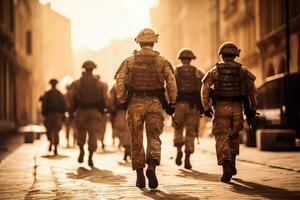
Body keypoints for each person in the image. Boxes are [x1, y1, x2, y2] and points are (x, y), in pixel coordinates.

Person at [115, 28, 177, 189]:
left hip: (135, 103)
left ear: (139, 41)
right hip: (155, 103)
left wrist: (122, 99)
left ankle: (140, 175)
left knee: (136, 139)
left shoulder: (130, 60)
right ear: (154, 42)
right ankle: (152, 166)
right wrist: (172, 103)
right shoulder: (162, 61)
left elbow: (120, 79)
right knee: (154, 137)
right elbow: (171, 82)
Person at [201, 42, 257, 182]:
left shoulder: (215, 70)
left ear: (221, 54)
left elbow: (205, 89)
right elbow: (252, 92)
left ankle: (226, 167)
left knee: (221, 137)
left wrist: (206, 107)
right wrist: (252, 110)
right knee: (234, 136)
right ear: (235, 55)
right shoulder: (243, 71)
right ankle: (232, 163)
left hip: (221, 107)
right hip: (238, 108)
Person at [70, 61, 107, 167]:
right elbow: (105, 98)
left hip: (81, 111)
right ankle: (90, 156)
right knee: (93, 134)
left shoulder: (77, 82)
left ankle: (81, 150)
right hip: (95, 112)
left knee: (80, 132)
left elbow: (71, 97)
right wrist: (103, 109)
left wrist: (72, 110)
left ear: (84, 69)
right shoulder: (100, 84)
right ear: (93, 69)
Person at [173, 48, 205, 169]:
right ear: (191, 59)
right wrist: (202, 107)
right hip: (192, 106)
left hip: (178, 105)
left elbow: (170, 87)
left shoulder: (176, 71)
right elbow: (203, 87)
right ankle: (187, 157)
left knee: (178, 128)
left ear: (180, 59)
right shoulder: (197, 71)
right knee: (191, 131)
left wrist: (170, 104)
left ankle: (179, 150)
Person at [41, 79, 67, 155]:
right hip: (57, 115)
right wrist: (63, 114)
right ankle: (54, 145)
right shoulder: (60, 94)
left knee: (50, 130)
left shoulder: (47, 94)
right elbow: (64, 105)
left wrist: (44, 113)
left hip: (50, 115)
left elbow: (44, 104)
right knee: (56, 131)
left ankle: (52, 144)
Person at [109, 84, 131, 161]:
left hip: (120, 112)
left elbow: (110, 100)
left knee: (121, 131)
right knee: (129, 131)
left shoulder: (115, 87)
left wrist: (112, 110)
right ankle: (128, 148)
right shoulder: (133, 84)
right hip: (131, 111)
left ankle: (127, 148)